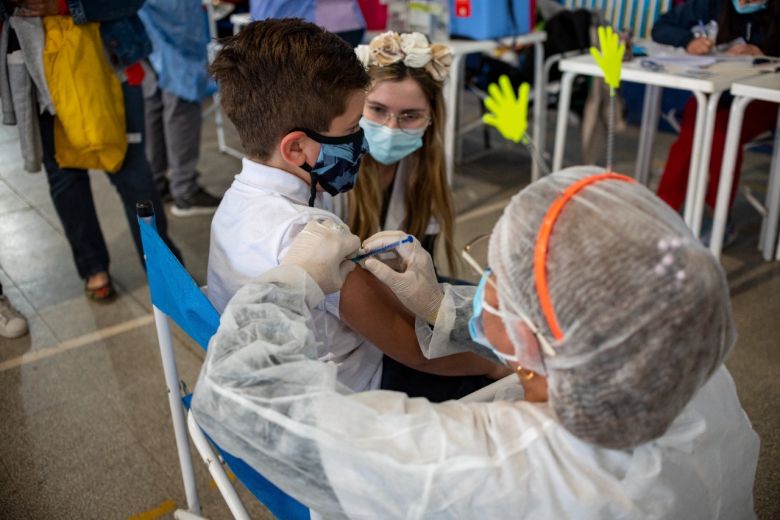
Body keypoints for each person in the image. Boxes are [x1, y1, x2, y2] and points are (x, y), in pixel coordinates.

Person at [192, 166, 759, 518]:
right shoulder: (694, 375)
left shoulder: (489, 468)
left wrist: (292, 281)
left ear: (537, 342)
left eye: (500, 285)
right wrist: (445, 308)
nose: (482, 288)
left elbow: (241, 398)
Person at [206, 19, 506, 398]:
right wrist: (503, 362)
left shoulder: (234, 205)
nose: (362, 147)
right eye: (352, 130)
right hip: (360, 391)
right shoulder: (311, 236)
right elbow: (417, 352)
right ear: (296, 148)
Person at [13, 0, 180, 301]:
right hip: (39, 69)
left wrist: (65, 5)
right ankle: (93, 267)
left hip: (110, 59)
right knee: (65, 175)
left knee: (131, 172)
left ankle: (163, 266)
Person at [652, 0, 780, 242]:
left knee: (721, 132)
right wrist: (689, 41)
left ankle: (718, 216)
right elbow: (661, 27)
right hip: (719, 92)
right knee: (694, 126)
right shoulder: (713, 4)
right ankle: (663, 210)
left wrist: (763, 53)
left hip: (761, 99)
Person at [338, 31, 457, 272]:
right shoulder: (331, 172)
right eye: (378, 109)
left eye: (410, 115)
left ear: (431, 118)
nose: (391, 127)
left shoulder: (427, 167)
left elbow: (425, 262)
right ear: (357, 103)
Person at [139, 0, 222, 217]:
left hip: (144, 13)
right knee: (182, 95)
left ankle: (156, 183)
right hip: (172, 16)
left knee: (155, 97)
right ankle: (185, 191)